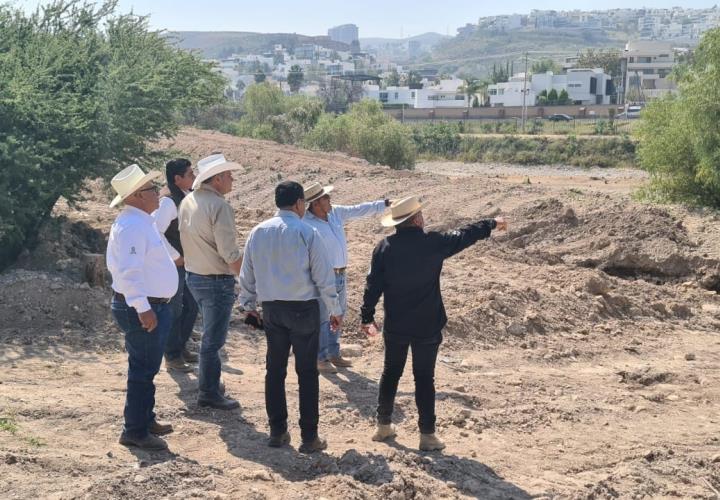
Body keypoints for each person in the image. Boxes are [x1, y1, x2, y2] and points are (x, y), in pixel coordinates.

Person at [360, 196, 508, 451]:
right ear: (416, 220)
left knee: (390, 373)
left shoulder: (384, 247)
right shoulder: (433, 244)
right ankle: (427, 435)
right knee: (424, 378)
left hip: (396, 324)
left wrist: (366, 316)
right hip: (427, 324)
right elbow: (465, 235)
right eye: (421, 215)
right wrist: (491, 224)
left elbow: (373, 286)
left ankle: (383, 426)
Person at [239, 181, 342, 454]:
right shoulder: (307, 232)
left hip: (272, 309)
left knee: (275, 371)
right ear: (299, 203)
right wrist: (334, 308)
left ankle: (277, 431)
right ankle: (309, 438)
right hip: (303, 309)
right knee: (307, 373)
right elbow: (323, 277)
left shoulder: (257, 232)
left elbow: (246, 274)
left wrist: (248, 305)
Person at [106, 164, 179, 451]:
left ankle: (144, 420)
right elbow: (130, 272)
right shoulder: (133, 226)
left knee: (146, 367)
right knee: (142, 370)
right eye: (151, 189)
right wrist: (143, 307)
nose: (158, 194)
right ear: (137, 195)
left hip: (148, 304)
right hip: (143, 306)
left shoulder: (140, 222)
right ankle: (135, 429)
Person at [302, 182, 390, 374]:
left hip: (340, 274)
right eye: (326, 198)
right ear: (316, 203)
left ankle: (333, 353)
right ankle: (320, 357)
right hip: (323, 276)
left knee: (338, 314)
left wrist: (383, 204)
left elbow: (358, 209)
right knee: (323, 317)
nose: (329, 200)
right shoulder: (306, 223)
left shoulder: (335, 213)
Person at [178, 154, 243, 410]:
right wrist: (248, 280)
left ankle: (210, 384)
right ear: (217, 179)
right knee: (213, 340)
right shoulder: (219, 207)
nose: (232, 179)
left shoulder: (188, 201)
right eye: (228, 175)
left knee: (209, 337)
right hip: (216, 280)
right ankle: (209, 392)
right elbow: (230, 254)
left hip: (195, 276)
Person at [153, 159, 199, 373]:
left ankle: (179, 348)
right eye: (190, 174)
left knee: (191, 306)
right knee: (176, 308)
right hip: (175, 265)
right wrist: (174, 256)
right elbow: (156, 231)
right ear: (177, 178)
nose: (193, 177)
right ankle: (172, 355)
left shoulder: (183, 197)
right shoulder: (168, 202)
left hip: (186, 263)